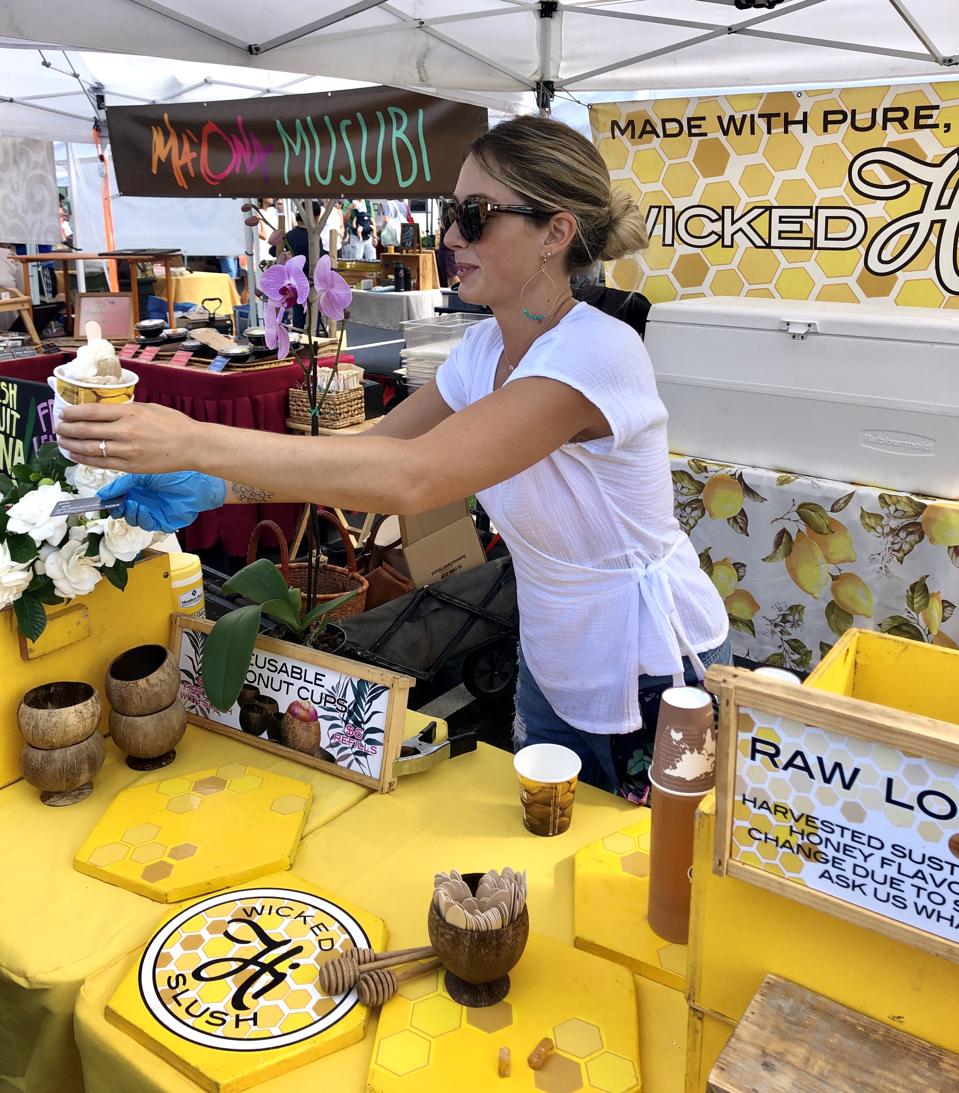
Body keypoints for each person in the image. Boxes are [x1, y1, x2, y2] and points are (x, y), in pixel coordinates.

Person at [56, 115, 729, 803]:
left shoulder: (597, 352)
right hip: (555, 651)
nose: (449, 237)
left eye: (474, 215)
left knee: (649, 874)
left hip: (649, 663)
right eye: (449, 212)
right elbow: (370, 451)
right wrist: (218, 485)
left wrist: (193, 437)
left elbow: (416, 477)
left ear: (555, 233)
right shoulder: (481, 353)